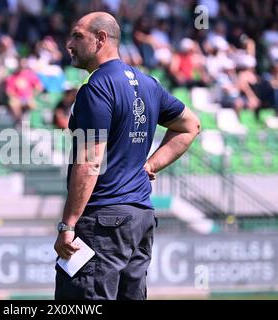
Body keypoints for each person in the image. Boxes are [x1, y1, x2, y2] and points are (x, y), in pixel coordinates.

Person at [54, 12, 201, 300]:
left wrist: (67, 224)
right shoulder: (148, 84)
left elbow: (90, 160)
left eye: (77, 36)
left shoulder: (95, 89)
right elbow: (190, 125)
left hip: (102, 221)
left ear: (101, 39)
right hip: (140, 218)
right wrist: (150, 165)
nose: (69, 44)